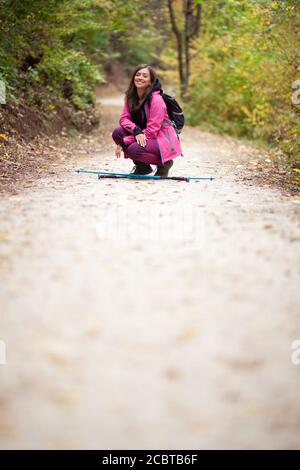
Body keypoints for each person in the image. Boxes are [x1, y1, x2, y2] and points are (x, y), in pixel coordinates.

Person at [112, 64, 183, 177]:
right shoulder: (131, 96)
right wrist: (136, 131)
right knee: (117, 133)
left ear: (151, 81)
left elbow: (152, 130)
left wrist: (124, 142)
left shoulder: (156, 100)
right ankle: (143, 167)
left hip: (160, 138)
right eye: (138, 74)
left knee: (133, 149)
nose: (140, 77)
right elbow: (124, 118)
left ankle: (165, 163)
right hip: (143, 134)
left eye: (145, 76)